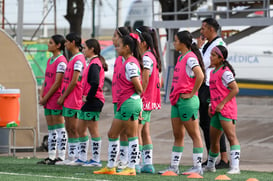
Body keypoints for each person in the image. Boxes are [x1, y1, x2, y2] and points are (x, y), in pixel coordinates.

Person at [94, 33, 143, 176]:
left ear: (127, 48)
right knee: (113, 134)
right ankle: (111, 166)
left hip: (130, 103)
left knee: (131, 135)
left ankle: (131, 168)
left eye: (119, 45)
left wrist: (136, 98)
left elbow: (138, 87)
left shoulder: (131, 63)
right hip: (125, 103)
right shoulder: (126, 61)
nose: (116, 47)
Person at [158, 30, 205, 175]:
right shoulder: (180, 57)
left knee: (194, 134)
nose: (174, 43)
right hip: (177, 101)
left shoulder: (190, 58)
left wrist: (192, 93)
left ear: (183, 43)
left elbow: (200, 75)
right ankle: (174, 166)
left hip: (187, 101)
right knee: (178, 135)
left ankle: (198, 167)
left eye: (176, 40)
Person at [69, 39, 108, 166]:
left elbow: (95, 83)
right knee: (80, 129)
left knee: (93, 130)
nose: (83, 50)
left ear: (92, 49)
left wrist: (88, 97)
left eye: (85, 48)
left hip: (94, 101)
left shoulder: (95, 64)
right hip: (88, 101)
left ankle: (96, 160)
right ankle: (82, 157)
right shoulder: (91, 63)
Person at [203, 45, 240, 174]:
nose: (210, 57)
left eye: (213, 55)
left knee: (231, 137)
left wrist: (222, 103)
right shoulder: (212, 72)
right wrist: (210, 105)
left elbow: (235, 89)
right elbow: (213, 92)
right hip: (215, 111)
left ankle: (235, 167)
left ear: (220, 58)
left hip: (226, 110)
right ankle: (210, 166)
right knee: (214, 140)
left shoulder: (225, 72)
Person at [198, 17, 229, 169]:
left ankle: (223, 159)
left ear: (211, 29)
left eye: (203, 28)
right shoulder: (207, 45)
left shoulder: (218, 44)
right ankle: (212, 158)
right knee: (205, 123)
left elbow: (212, 65)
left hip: (212, 86)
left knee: (215, 123)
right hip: (205, 86)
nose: (201, 31)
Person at [56, 32, 86, 165]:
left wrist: (63, 96)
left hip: (74, 99)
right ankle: (71, 157)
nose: (65, 44)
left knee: (75, 129)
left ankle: (80, 157)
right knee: (69, 128)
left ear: (73, 42)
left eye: (67, 42)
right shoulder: (73, 58)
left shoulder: (79, 59)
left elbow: (74, 82)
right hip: (68, 99)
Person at [37, 34, 68, 165]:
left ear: (58, 45)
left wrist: (46, 97)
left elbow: (57, 83)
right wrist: (41, 95)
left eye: (50, 43)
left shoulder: (61, 61)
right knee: (51, 129)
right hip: (47, 99)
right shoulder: (50, 60)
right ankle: (51, 156)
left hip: (55, 98)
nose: (48, 45)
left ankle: (60, 156)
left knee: (59, 128)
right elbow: (46, 80)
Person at [135, 26, 162, 174]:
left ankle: (137, 164)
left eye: (138, 39)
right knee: (145, 131)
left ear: (144, 42)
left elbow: (144, 81)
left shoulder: (146, 57)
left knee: (138, 131)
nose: (136, 42)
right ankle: (148, 164)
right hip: (150, 100)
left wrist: (139, 98)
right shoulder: (152, 56)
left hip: (144, 100)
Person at [111, 27, 131, 171]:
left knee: (129, 132)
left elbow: (137, 83)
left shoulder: (130, 61)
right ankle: (123, 159)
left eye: (115, 36)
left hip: (128, 101)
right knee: (119, 132)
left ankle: (131, 162)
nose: (113, 39)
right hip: (118, 99)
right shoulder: (119, 59)